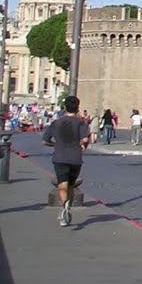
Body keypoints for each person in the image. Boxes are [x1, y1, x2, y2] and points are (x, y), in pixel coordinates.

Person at [42, 95, 90, 228]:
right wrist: (82, 146)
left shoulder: (56, 123)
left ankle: (65, 206)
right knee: (71, 186)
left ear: (64, 108)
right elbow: (85, 140)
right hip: (75, 158)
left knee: (62, 186)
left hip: (60, 157)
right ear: (77, 108)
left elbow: (45, 141)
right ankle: (68, 206)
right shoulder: (81, 123)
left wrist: (54, 145)